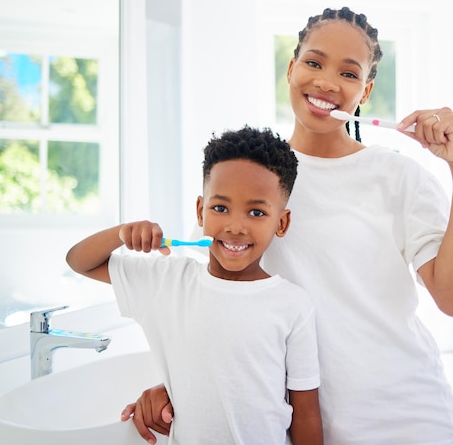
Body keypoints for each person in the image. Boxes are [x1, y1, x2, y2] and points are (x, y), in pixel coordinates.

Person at [125, 6, 453, 445]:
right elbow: (215, 307)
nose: (327, 82)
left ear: (365, 91)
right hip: (302, 426)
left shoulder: (398, 177)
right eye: (313, 62)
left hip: (410, 418)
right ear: (291, 68)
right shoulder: (253, 180)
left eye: (349, 74)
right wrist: (182, 384)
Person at [65, 126, 323, 445]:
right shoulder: (166, 281)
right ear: (201, 211)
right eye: (220, 208)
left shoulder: (292, 305)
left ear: (281, 223)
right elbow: (79, 261)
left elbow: (306, 412)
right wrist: (123, 233)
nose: (235, 226)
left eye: (256, 212)